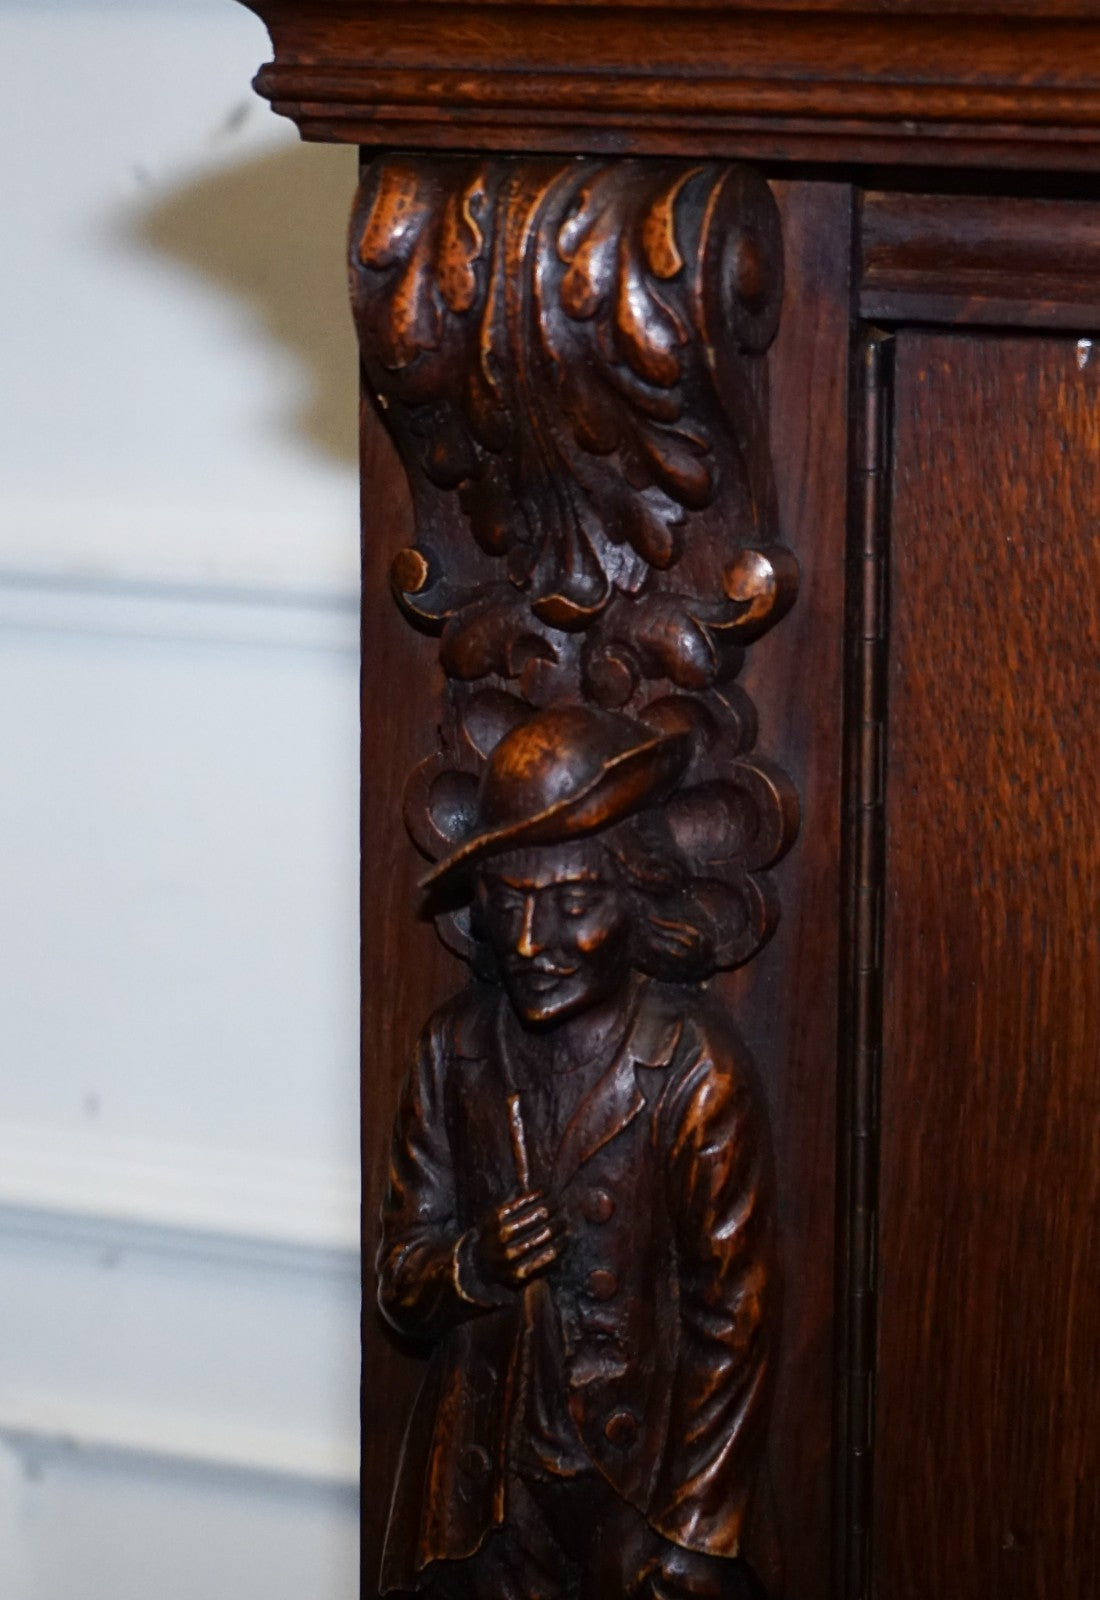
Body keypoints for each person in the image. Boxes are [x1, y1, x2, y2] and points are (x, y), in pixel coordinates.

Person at [377, 703, 776, 1600]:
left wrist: (695, 1532)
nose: (531, 945)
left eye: (573, 904)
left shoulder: (689, 1070)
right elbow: (400, 1277)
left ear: (634, 897)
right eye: (510, 905)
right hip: (488, 1500)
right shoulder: (456, 1051)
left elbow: (732, 1319)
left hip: (637, 1498)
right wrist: (472, 1264)